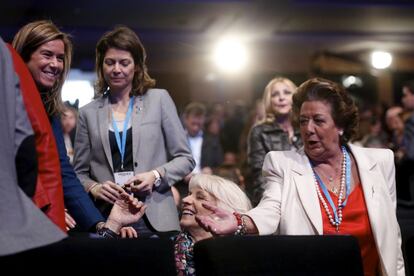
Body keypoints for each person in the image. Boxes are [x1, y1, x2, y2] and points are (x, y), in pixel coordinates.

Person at [197, 78, 405, 276]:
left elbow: (391, 237)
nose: (308, 129)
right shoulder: (283, 164)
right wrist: (240, 222)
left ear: (340, 125)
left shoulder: (380, 162)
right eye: (304, 121)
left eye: (318, 120)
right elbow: (271, 209)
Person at [12, 20, 136, 237]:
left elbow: (63, 171)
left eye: (60, 58)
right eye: (47, 55)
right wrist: (44, 207)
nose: (56, 64)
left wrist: (99, 225)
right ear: (24, 56)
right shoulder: (8, 99)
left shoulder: (49, 111)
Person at [73, 26, 194, 237]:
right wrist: (95, 188)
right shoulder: (87, 113)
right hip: (108, 217)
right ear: (101, 66)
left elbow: (185, 159)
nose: (116, 69)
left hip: (156, 218)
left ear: (137, 66)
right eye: (109, 62)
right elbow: (78, 173)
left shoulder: (159, 100)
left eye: (124, 62)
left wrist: (155, 176)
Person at [174, 174, 251, 275]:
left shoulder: (243, 256)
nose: (185, 200)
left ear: (224, 211)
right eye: (189, 194)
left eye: (200, 197)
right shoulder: (165, 249)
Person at [247, 77, 301, 206]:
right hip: (277, 201)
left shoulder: (305, 127)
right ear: (269, 100)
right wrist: (271, 207)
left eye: (287, 93)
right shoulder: (259, 131)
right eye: (275, 94)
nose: (281, 97)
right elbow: (259, 177)